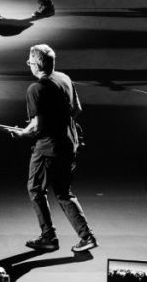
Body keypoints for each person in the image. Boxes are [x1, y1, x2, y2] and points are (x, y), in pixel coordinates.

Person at [12, 44, 97, 253]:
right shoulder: (64, 78)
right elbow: (76, 109)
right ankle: (86, 236)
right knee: (63, 192)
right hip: (69, 143)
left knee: (35, 189)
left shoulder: (35, 89)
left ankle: (48, 236)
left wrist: (22, 133)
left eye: (30, 61)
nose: (28, 65)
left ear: (37, 64)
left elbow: (37, 126)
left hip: (47, 149)